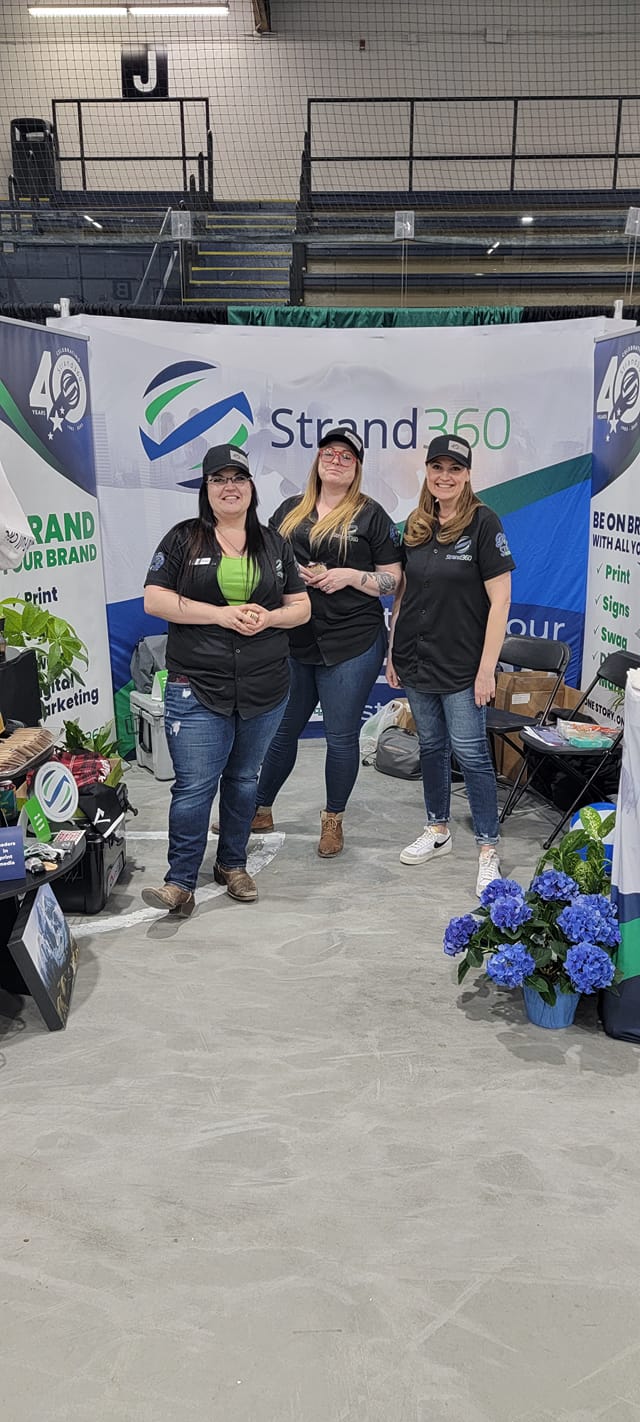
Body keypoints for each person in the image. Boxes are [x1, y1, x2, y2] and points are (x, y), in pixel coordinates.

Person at [141, 443, 310, 913]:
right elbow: (154, 600)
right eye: (219, 479)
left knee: (243, 779)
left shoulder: (274, 543)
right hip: (197, 685)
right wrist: (220, 614)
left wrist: (269, 618)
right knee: (194, 787)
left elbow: (301, 607)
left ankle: (232, 864)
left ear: (251, 487)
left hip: (265, 687)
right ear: (206, 488)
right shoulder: (183, 538)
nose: (229, 487)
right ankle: (179, 882)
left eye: (238, 478)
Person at [253, 426, 402, 857]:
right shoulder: (289, 511)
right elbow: (264, 564)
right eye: (329, 453)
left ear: (357, 467)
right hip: (295, 639)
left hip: (352, 641)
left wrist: (351, 576)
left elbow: (393, 579)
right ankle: (259, 809)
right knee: (281, 731)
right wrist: (289, 575)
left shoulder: (371, 515)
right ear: (318, 459)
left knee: (340, 736)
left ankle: (333, 819)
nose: (336, 461)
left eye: (346, 456)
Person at [386, 433, 515, 897]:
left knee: (472, 754)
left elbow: (500, 602)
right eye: (437, 467)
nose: (445, 476)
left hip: (463, 665)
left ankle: (487, 848)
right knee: (432, 748)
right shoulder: (416, 524)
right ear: (427, 471)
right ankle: (437, 829)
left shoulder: (483, 522)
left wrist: (486, 670)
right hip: (416, 658)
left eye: (454, 469)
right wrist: (392, 651)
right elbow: (402, 594)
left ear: (467, 475)